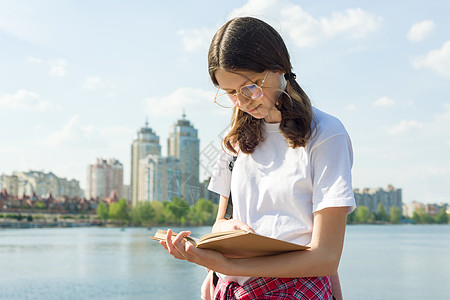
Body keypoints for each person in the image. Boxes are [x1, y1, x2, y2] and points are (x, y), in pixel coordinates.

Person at [159, 16, 356, 300]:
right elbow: (220, 222)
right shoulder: (235, 139)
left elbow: (326, 258)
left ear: (280, 69)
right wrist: (221, 234)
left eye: (250, 87)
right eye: (230, 93)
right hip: (233, 289)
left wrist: (227, 264)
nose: (242, 102)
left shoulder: (326, 135)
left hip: (293, 290)